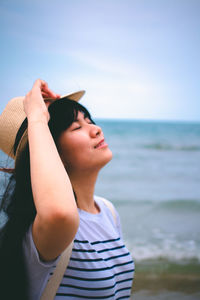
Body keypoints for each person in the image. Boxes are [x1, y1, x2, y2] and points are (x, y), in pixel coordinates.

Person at [0, 79, 134, 300]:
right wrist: (37, 117)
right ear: (53, 152)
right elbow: (60, 214)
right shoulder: (47, 228)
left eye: (89, 120)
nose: (96, 129)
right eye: (77, 127)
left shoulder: (107, 211)